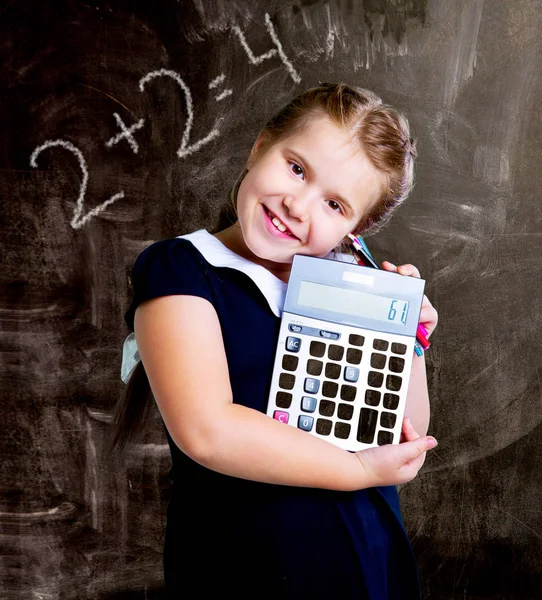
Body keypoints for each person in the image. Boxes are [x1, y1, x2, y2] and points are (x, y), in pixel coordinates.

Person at [110, 82, 438, 599]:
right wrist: (355, 469)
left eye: (334, 204)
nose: (297, 205)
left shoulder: (351, 278)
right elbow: (207, 430)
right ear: (259, 146)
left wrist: (408, 340)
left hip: (367, 562)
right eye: (297, 168)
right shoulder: (182, 268)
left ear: (355, 229)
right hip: (245, 566)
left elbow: (402, 434)